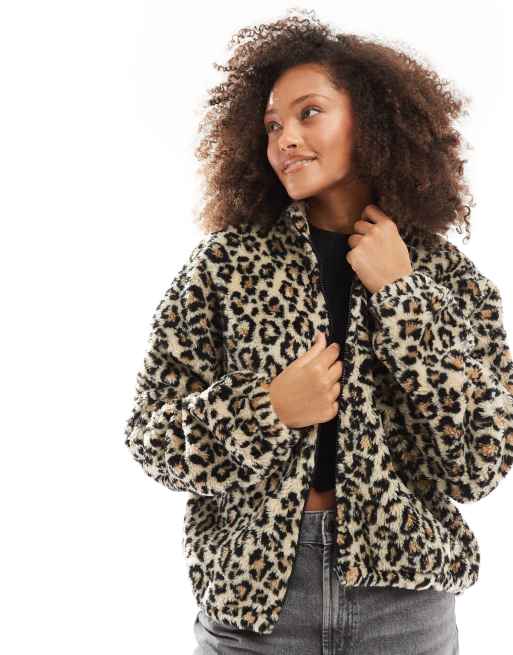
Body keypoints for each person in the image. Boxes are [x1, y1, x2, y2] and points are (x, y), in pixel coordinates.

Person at [124, 9, 513, 654]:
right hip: (256, 601)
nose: (286, 139)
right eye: (273, 125)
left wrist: (404, 298)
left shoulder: (447, 276)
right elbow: (150, 438)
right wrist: (267, 409)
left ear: (374, 121)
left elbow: (480, 463)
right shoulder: (225, 266)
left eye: (310, 113)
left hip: (403, 604)